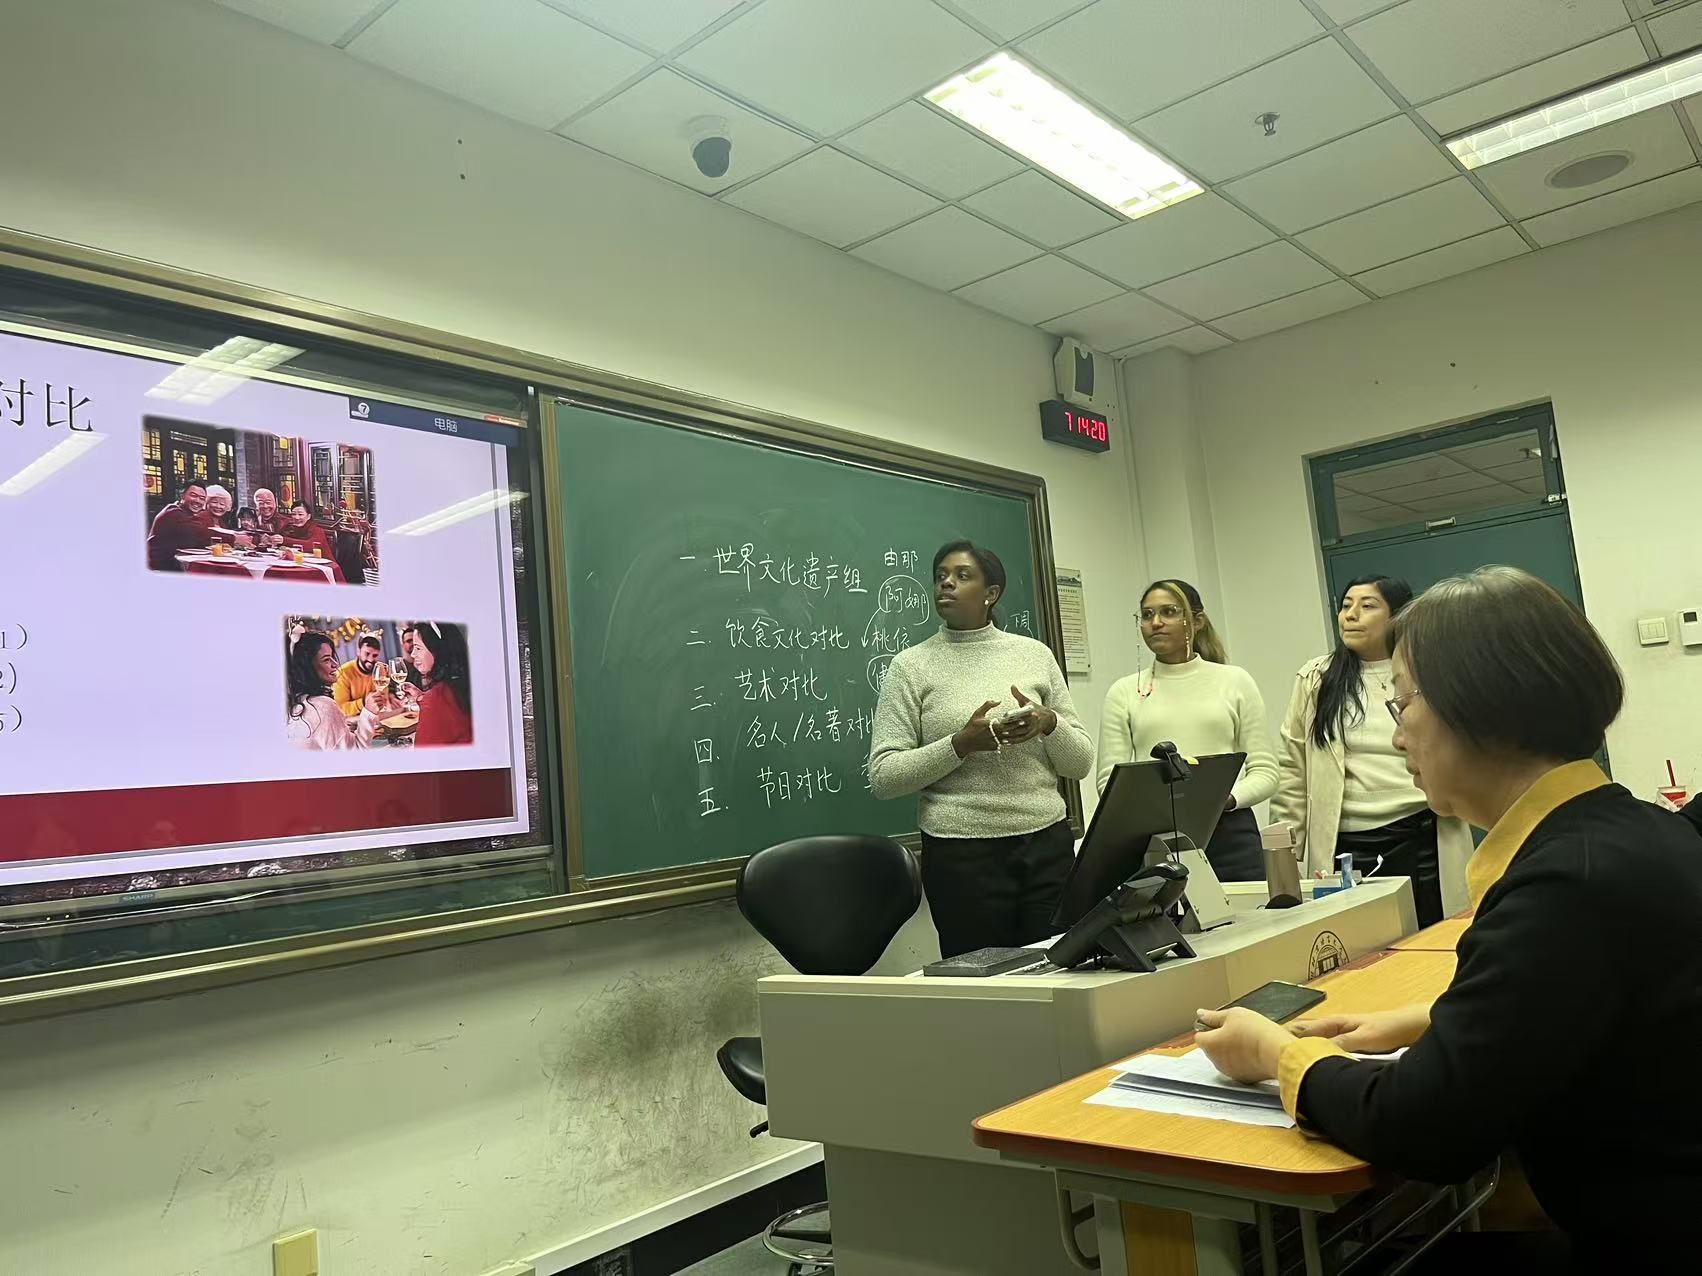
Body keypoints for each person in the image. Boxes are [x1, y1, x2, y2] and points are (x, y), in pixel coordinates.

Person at [1194, 567, 1702, 1271]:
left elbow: (1426, 1128)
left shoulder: (1562, 887)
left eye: (1403, 704)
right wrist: (1433, 1020)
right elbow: (1575, 1002)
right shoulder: (1633, 830)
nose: (1397, 737)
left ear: (1480, 710)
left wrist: (1277, 1055)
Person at [870, 540, 1094, 958]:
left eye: (962, 576)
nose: (946, 584)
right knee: (981, 979)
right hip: (960, 856)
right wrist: (960, 745)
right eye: (940, 576)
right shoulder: (910, 666)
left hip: (1046, 847)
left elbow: (1079, 763)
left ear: (991, 593)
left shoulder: (1034, 655)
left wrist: (1049, 723)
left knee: (1058, 970)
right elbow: (884, 776)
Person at [1273, 575, 1470, 926]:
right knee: (1360, 939)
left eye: (1367, 606)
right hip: (1344, 843)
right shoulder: (1317, 678)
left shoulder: (1428, 672)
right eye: (1346, 605)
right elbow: (1292, 769)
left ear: (1397, 615)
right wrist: (1284, 853)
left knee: (1431, 932)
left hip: (1420, 832)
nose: (1351, 615)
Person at [1096, 579, 1277, 881]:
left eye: (1168, 612)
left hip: (1229, 833)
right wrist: (1157, 810)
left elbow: (1266, 772)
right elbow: (1109, 781)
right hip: (1154, 837)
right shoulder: (1124, 691)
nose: (1155, 622)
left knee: (1246, 912)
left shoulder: (1235, 681)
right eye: (1147, 615)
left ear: (1197, 621)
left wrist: (1222, 800)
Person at [286, 630, 392, 750]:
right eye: (326, 659)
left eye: (332, 657)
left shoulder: (295, 701)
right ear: (308, 667)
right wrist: (368, 710)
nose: (336, 664)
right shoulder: (323, 707)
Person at [395, 622, 473, 746]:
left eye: (418, 648)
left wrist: (429, 700)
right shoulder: (463, 683)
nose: (413, 654)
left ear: (438, 651)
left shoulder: (435, 699)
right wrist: (421, 697)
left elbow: (423, 751)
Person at [145, 482, 246, 570]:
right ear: (182, 495)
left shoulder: (187, 514)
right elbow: (200, 533)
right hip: (158, 569)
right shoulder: (173, 512)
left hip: (172, 565)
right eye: (194, 495)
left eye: (202, 498)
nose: (198, 501)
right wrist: (235, 539)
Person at [332, 632, 384, 719]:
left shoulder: (381, 669)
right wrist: (364, 702)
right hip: (353, 721)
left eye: (375, 655)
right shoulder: (343, 673)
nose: (371, 659)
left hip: (377, 717)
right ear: (358, 651)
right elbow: (340, 709)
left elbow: (384, 699)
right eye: (367, 654)